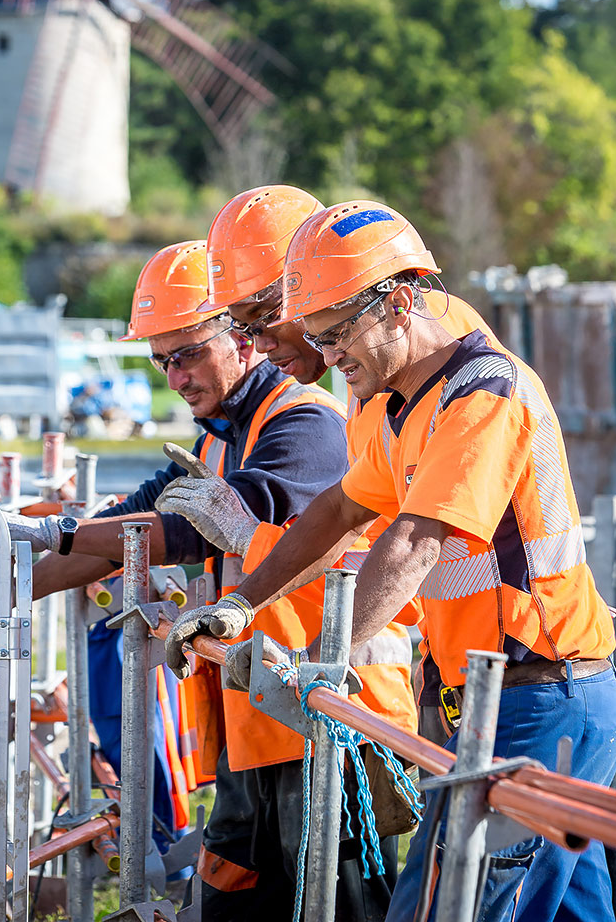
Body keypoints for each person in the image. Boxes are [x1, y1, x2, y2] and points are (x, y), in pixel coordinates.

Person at [166, 201, 616, 922]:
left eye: (337, 333)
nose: (330, 355)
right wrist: (240, 603)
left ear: (401, 303)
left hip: (541, 703)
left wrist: (321, 659)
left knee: (444, 908)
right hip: (496, 699)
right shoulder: (394, 405)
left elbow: (415, 542)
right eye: (316, 335)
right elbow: (339, 511)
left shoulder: (481, 394)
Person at [0, 237, 353, 919]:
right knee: (237, 897)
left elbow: (180, 533)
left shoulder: (303, 427)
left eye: (188, 353)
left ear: (242, 336)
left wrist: (55, 530)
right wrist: (0, 593)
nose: (176, 378)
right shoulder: (219, 433)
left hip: (320, 706)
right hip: (260, 708)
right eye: (162, 361)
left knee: (335, 900)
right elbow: (127, 531)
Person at [158, 187, 417, 919]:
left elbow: (399, 545)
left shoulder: (318, 417)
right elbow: (337, 522)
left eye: (261, 320)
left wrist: (245, 551)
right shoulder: (364, 404)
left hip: (339, 702)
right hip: (285, 696)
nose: (260, 341)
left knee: (343, 898)